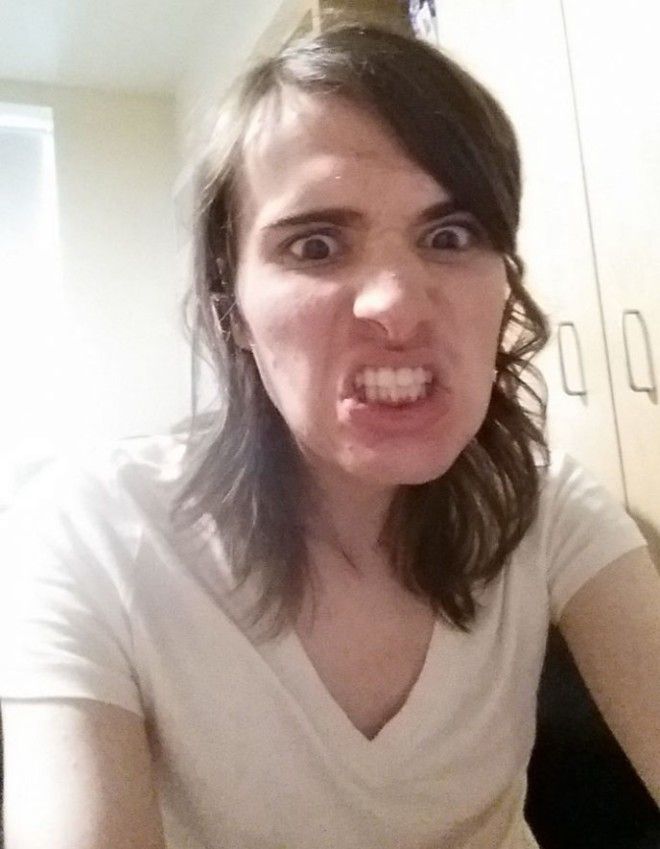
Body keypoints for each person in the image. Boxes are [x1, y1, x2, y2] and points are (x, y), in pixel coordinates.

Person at [1, 20, 659, 849]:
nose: (396, 306)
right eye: (316, 245)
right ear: (230, 309)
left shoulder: (549, 508)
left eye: (450, 235)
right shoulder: (90, 535)